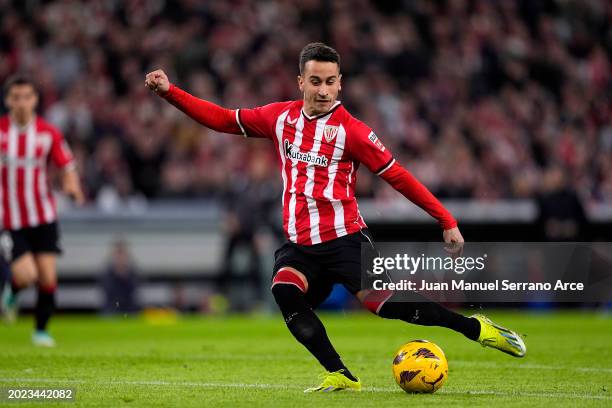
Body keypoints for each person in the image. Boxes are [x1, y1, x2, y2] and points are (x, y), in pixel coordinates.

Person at [145, 43, 526, 392]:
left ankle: (475, 328)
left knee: (385, 305)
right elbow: (223, 119)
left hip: (345, 240)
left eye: (330, 82)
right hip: (301, 246)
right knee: (283, 290)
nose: (323, 90)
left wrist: (446, 219)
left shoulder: (353, 132)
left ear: (340, 84)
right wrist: (170, 92)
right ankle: (340, 374)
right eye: (315, 81)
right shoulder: (280, 118)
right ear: (301, 81)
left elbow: (398, 176)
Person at [0, 75, 84, 347]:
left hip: (44, 216)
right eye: (16, 97)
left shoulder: (48, 133)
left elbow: (67, 165)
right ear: (8, 100)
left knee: (47, 277)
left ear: (35, 99)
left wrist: (72, 187)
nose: (22, 103)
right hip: (10, 219)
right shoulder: (1, 132)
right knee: (28, 275)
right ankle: (12, 290)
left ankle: (41, 331)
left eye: (27, 97)